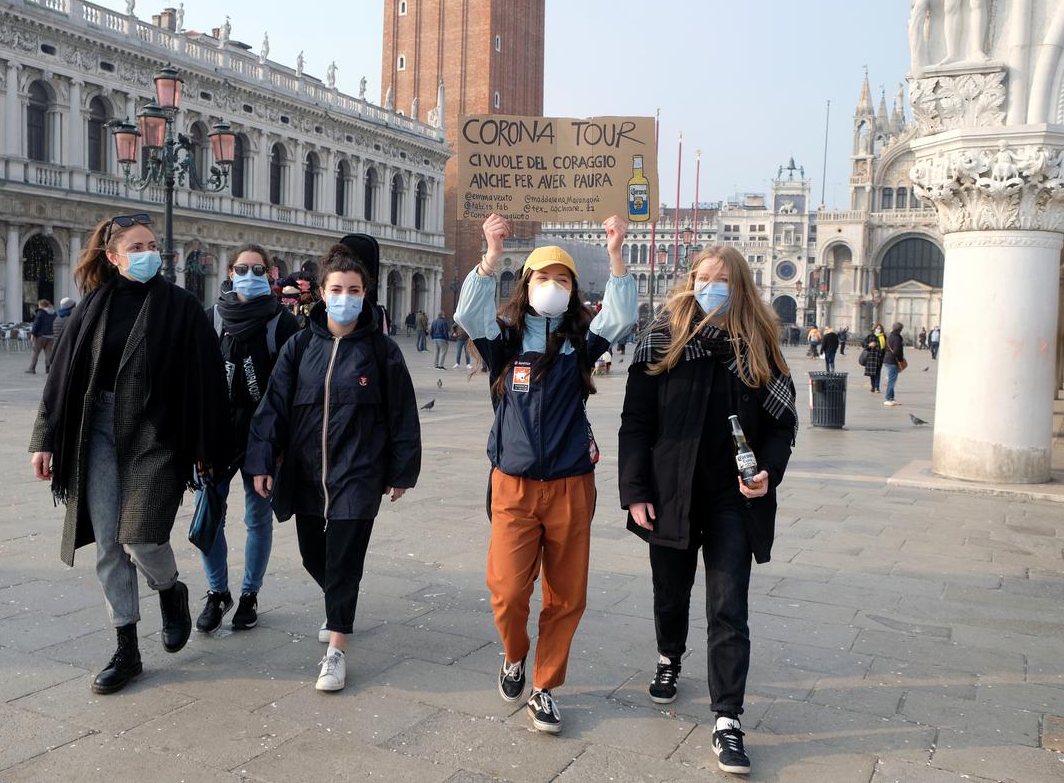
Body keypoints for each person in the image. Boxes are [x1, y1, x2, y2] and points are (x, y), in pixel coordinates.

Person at [29, 212, 229, 695]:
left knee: (141, 539)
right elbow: (61, 376)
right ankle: (127, 649)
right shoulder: (94, 303)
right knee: (107, 546)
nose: (148, 254)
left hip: (157, 432)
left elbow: (206, 380)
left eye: (152, 245)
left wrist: (207, 447)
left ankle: (170, 590)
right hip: (94, 428)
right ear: (114, 257)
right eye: (136, 247)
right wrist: (43, 439)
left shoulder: (180, 306)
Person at [455, 212, 637, 736]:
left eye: (562, 279)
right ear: (526, 284)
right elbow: (469, 312)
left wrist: (616, 249)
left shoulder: (582, 341)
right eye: (542, 277)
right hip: (512, 484)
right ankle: (515, 654)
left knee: (566, 595)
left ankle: (544, 687)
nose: (552, 287)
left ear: (573, 289)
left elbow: (621, 315)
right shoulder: (505, 340)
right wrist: (490, 252)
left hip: (571, 483)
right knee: (509, 592)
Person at [619, 244, 796, 777]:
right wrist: (635, 490)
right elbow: (636, 422)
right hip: (671, 492)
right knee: (670, 592)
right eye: (702, 278)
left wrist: (767, 470)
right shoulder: (662, 339)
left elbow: (783, 424)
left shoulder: (760, 346)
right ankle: (670, 657)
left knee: (728, 606)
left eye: (721, 280)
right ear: (690, 281)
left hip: (732, 499)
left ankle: (727, 718)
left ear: (738, 286)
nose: (710, 287)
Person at [247, 244, 421, 693]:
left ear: (366, 294)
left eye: (355, 289)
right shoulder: (300, 345)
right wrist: (262, 459)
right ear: (323, 292)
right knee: (312, 555)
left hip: (359, 473)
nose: (346, 296)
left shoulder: (382, 351)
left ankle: (336, 650)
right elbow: (272, 408)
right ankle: (337, 602)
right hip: (307, 470)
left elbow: (403, 413)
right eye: (338, 288)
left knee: (345, 562)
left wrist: (402, 470)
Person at [194, 244, 300, 635]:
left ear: (271, 275)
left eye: (258, 270)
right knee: (210, 515)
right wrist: (197, 442)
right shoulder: (211, 318)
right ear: (230, 272)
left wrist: (280, 445)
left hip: (263, 437)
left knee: (257, 519)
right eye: (243, 268)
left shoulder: (282, 324)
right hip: (217, 436)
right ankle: (217, 591)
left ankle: (249, 595)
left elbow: (291, 390)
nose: (250, 276)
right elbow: (198, 384)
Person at [27, 299, 56, 374]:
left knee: (35, 352)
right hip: (51, 336)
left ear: (41, 305)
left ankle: (32, 368)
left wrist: (33, 334)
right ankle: (48, 369)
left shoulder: (40, 312)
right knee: (48, 353)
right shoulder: (53, 313)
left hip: (41, 336)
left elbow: (36, 324)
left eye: (39, 305)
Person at [883, 322, 906, 407]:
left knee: (892, 380)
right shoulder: (896, 338)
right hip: (892, 361)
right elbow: (897, 352)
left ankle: (891, 398)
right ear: (899, 329)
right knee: (892, 381)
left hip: (888, 360)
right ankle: (888, 398)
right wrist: (900, 362)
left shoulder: (890, 336)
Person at [863, 324, 887, 394]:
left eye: (879, 328)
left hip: (879, 358)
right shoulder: (870, 336)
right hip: (871, 357)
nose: (878, 330)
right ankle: (873, 386)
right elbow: (863, 344)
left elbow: (885, 348)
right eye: (877, 328)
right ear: (874, 329)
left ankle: (877, 387)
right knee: (872, 373)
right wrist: (869, 345)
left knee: (878, 373)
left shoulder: (883, 337)